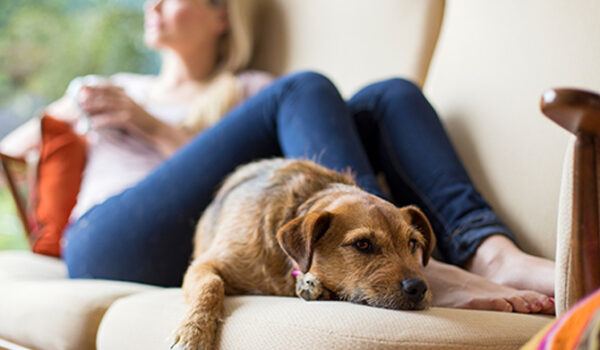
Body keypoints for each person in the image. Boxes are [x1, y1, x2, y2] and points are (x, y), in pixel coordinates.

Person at [0, 0, 554, 314]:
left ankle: (487, 249)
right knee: (305, 87)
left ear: (222, 16)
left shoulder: (251, 92)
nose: (156, 3)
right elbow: (17, 150)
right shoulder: (116, 86)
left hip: (222, 230)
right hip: (108, 239)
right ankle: (438, 278)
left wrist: (155, 128)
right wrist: (97, 115)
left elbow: (256, 198)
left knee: (390, 95)